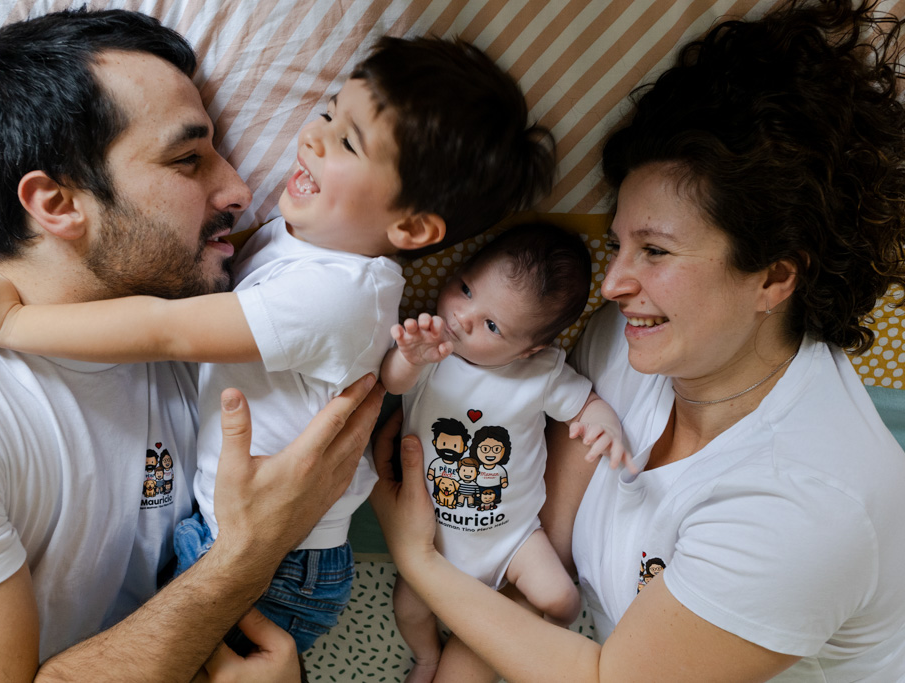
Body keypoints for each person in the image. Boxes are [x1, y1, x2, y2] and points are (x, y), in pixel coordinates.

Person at [0, 36, 555, 653]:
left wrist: (10, 326)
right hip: (244, 533)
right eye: (329, 111)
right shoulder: (303, 244)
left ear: (412, 226)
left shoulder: (337, 293)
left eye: (347, 143)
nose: (311, 136)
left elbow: (166, 330)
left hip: (281, 564)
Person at [370, 0, 905, 680]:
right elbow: (545, 557)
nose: (615, 282)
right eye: (618, 243)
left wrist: (415, 556)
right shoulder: (625, 348)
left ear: (773, 277)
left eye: (655, 251)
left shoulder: (807, 507)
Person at [0, 9, 387, 681]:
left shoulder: (206, 328)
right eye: (188, 158)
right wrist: (248, 557)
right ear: (57, 203)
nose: (240, 190)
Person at [379, 223, 630, 682]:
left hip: (514, 539)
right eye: (465, 288)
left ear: (528, 349)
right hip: (434, 539)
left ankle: (500, 632)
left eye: (492, 325)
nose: (463, 317)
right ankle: (428, 659)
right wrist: (409, 356)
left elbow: (585, 405)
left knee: (563, 601)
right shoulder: (434, 353)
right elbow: (393, 383)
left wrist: (603, 425)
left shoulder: (541, 374)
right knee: (410, 609)